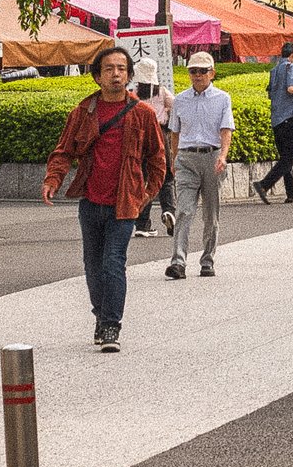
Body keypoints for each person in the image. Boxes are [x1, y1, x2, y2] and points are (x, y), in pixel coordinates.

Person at [40, 44, 167, 351]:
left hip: (125, 204)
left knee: (113, 263)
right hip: (90, 202)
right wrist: (52, 179)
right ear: (97, 77)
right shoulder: (83, 112)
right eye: (109, 69)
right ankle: (101, 315)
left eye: (121, 69)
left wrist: (146, 196)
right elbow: (64, 151)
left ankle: (111, 325)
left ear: (130, 75)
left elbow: (158, 160)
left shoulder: (143, 114)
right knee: (92, 266)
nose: (115, 75)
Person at [164, 50, 234, 281]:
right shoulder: (180, 100)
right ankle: (178, 262)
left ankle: (207, 260)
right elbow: (175, 132)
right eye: (193, 71)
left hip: (212, 157)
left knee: (211, 213)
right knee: (184, 210)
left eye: (202, 71)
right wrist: (175, 158)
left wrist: (223, 156)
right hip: (186, 158)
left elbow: (226, 130)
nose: (197, 75)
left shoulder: (222, 98)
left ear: (212, 73)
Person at [252, 40, 293, 204]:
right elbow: (291, 89)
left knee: (285, 157)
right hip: (290, 117)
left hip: (277, 119)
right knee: (290, 157)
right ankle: (264, 185)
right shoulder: (290, 67)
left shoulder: (274, 71)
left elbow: (271, 94)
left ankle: (291, 194)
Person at [129, 56, 175, 238]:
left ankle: (142, 223)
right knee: (166, 176)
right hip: (160, 135)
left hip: (138, 138)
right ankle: (169, 210)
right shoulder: (162, 92)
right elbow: (178, 107)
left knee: (143, 178)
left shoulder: (132, 93)